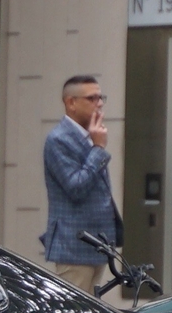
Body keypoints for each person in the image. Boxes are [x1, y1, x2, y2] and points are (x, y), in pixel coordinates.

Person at [41, 73, 123, 297]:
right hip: (73, 247)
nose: (99, 104)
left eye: (100, 97)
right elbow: (75, 187)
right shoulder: (58, 139)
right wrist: (98, 149)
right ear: (71, 103)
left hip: (96, 245)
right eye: (92, 98)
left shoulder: (90, 136)